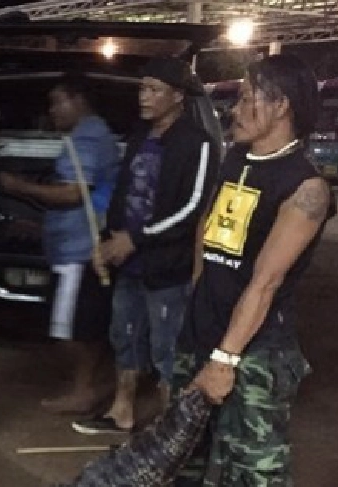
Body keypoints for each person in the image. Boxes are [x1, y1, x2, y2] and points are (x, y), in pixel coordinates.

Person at [122, 54, 335, 487]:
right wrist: (194, 312)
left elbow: (264, 284)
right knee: (186, 455)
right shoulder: (236, 159)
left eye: (247, 98)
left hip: (255, 355)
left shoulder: (306, 187)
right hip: (203, 339)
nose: (235, 109)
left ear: (281, 106)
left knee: (252, 475)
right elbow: (208, 236)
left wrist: (225, 358)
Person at [73, 57, 221, 435]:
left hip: (167, 267)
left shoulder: (198, 143)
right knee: (124, 336)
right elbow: (124, 194)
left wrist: (134, 239)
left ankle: (171, 430)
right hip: (129, 262)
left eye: (154, 89)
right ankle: (121, 411)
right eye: (142, 88)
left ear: (177, 96)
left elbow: (193, 210)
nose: (144, 96)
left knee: (168, 348)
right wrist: (109, 240)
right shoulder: (140, 136)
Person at [0, 73, 120, 414]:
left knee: (71, 330)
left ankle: (86, 391)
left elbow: (72, 193)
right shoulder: (93, 135)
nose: (52, 111)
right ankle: (88, 386)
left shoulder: (87, 139)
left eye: (57, 102)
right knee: (75, 325)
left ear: (77, 100)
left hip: (79, 252)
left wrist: (18, 186)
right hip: (78, 245)